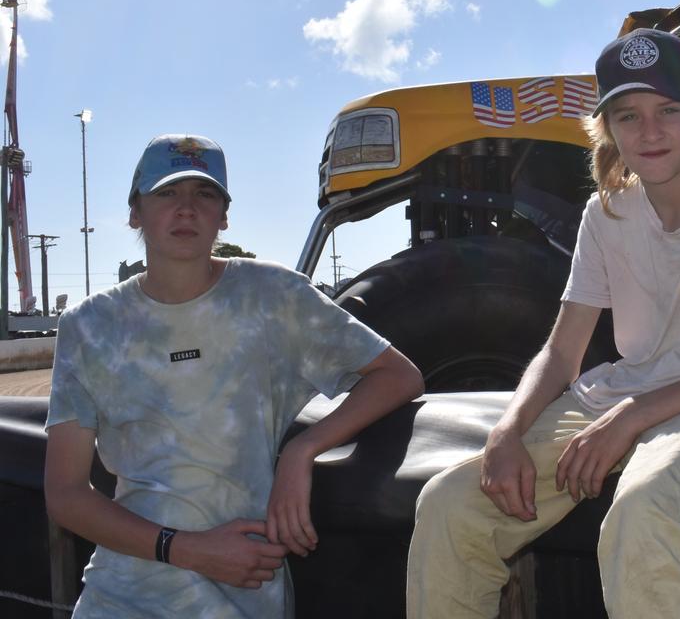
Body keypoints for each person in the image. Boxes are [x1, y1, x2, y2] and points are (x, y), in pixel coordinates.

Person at [406, 28, 680, 618]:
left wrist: (635, 416)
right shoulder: (606, 211)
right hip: (624, 394)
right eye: (628, 115)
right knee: (450, 503)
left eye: (667, 111)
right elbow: (561, 350)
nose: (649, 131)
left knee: (643, 507)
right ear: (608, 129)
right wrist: (507, 433)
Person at [43, 134, 424, 618]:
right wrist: (184, 549)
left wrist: (300, 453)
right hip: (123, 594)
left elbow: (396, 375)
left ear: (224, 216)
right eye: (166, 193)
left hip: (244, 588)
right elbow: (67, 493)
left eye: (204, 195)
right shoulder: (88, 325)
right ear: (135, 212)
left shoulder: (272, 296)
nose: (186, 209)